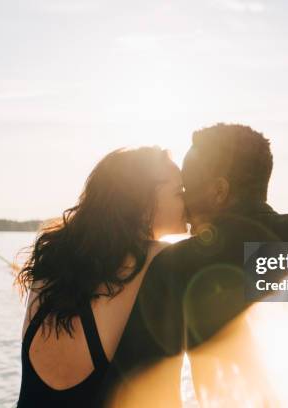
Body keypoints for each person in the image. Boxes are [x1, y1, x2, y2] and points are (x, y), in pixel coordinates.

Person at [101, 123, 288, 405]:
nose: (185, 202)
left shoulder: (174, 265)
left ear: (218, 191)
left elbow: (149, 394)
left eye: (188, 187)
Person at [15, 146, 187, 407]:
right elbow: (267, 276)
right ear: (144, 201)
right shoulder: (163, 261)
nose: (190, 200)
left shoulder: (52, 255)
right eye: (180, 192)